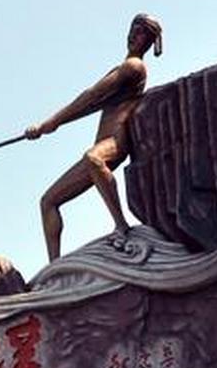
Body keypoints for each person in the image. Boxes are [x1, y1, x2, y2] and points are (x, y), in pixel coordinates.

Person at [23, 13, 162, 261]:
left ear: (150, 41)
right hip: (101, 144)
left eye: (141, 32)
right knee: (48, 201)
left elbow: (91, 96)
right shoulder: (122, 69)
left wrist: (50, 122)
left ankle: (121, 225)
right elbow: (90, 105)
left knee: (93, 158)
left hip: (116, 142)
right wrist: (52, 124)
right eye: (132, 28)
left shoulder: (134, 67)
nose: (133, 35)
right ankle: (54, 265)